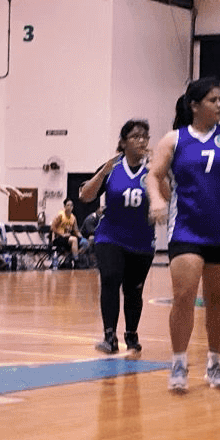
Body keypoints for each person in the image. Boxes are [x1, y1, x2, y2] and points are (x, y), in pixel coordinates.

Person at [146, 79, 220, 393]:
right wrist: (158, 200)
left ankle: (215, 362)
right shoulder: (175, 140)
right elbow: (154, 175)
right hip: (186, 230)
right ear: (195, 105)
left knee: (217, 301)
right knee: (184, 297)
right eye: (213, 99)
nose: (219, 105)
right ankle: (178, 362)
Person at [79, 119, 156, 354]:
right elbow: (85, 195)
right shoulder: (112, 168)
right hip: (110, 236)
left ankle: (131, 333)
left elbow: (167, 197)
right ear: (123, 142)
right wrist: (102, 172)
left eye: (145, 136)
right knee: (111, 279)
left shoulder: (153, 170)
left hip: (141, 240)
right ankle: (109, 336)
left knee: (134, 290)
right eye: (135, 136)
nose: (142, 140)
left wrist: (160, 176)